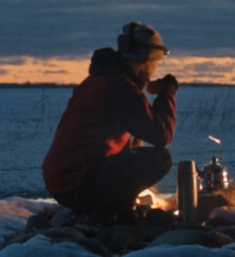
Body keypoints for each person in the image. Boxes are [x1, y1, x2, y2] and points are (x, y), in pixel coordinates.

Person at [43, 21, 178, 219]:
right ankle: (111, 214)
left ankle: (113, 210)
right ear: (146, 62)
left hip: (63, 181)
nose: (153, 72)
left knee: (134, 148)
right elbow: (162, 135)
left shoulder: (100, 81)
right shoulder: (120, 88)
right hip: (78, 184)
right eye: (155, 64)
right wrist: (168, 92)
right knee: (160, 158)